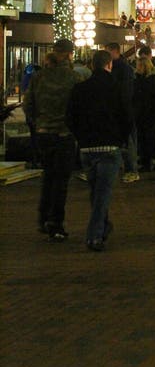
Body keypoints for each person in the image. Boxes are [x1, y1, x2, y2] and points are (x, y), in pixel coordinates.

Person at [66, 50, 134, 251]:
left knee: (96, 191)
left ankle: (103, 225)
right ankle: (94, 235)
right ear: (109, 65)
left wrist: (81, 137)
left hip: (87, 147)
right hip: (109, 146)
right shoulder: (117, 88)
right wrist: (121, 139)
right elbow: (127, 117)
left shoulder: (79, 89)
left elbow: (70, 118)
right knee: (102, 194)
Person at [22, 39, 79, 241]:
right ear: (69, 54)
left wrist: (37, 121)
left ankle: (43, 217)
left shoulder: (39, 77)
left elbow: (28, 103)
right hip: (64, 134)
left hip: (44, 132)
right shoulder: (73, 77)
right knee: (61, 181)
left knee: (48, 176)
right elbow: (78, 108)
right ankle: (56, 222)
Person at [105, 43, 139, 183]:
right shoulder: (122, 68)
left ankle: (131, 169)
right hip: (123, 108)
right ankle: (126, 166)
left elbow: (125, 91)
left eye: (108, 52)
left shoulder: (122, 69)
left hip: (123, 109)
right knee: (126, 140)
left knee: (127, 141)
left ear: (115, 51)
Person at [133, 55, 155, 172]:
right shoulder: (147, 79)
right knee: (148, 138)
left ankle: (148, 161)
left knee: (148, 138)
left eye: (139, 66)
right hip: (145, 113)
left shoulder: (149, 80)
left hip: (148, 113)